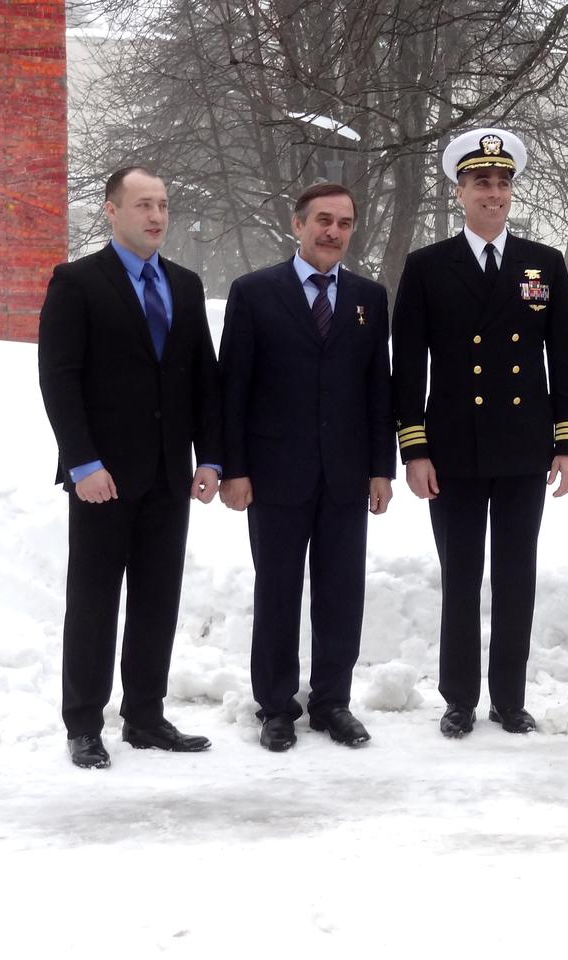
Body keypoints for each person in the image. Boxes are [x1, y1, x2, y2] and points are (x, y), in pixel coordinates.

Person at [391, 128, 568, 738]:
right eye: (481, 183)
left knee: (516, 576)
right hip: (452, 450)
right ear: (459, 192)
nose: (493, 194)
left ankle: (509, 697)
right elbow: (407, 365)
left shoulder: (544, 264)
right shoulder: (426, 268)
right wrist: (414, 447)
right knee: (461, 578)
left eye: (502, 184)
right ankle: (459, 698)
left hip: (524, 447)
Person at [39, 165, 222, 769]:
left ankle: (144, 716)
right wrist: (82, 462)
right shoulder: (77, 282)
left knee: (156, 599)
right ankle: (84, 724)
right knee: (93, 601)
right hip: (103, 480)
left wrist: (210, 457)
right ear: (112, 211)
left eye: (164, 205)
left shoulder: (186, 285)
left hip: (169, 474)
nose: (156, 216)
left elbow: (204, 379)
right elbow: (59, 379)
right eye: (143, 205)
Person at [218, 182, 394, 751]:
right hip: (274, 473)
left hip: (345, 475)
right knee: (278, 590)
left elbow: (377, 391)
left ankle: (332, 702)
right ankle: (275, 706)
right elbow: (233, 389)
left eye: (344, 223)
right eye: (323, 220)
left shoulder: (369, 298)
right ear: (297, 224)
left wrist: (379, 469)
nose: (334, 232)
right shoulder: (254, 293)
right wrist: (235, 469)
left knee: (342, 592)